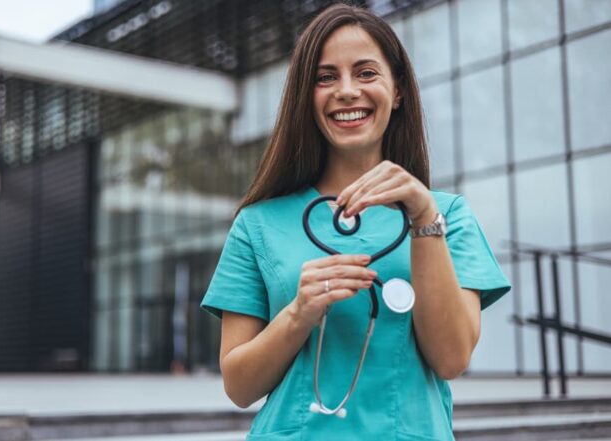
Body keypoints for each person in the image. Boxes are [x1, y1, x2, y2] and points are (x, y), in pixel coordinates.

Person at [201, 4, 511, 440]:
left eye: (366, 73)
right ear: (306, 97)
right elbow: (239, 385)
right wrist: (299, 313)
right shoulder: (257, 224)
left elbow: (451, 359)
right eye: (326, 78)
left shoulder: (447, 216)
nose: (346, 91)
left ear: (398, 91)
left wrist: (424, 217)